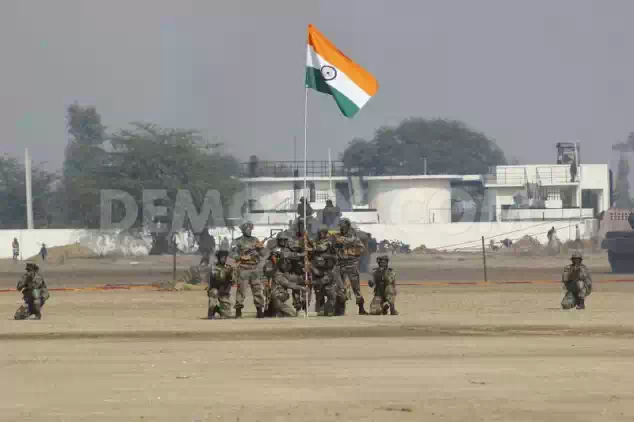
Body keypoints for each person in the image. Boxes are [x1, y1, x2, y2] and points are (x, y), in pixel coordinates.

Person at [230, 222, 266, 318]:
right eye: (247, 229)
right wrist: (241, 257)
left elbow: (263, 254)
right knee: (241, 290)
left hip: (254, 268)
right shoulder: (238, 241)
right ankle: (238, 311)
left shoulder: (255, 240)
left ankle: (259, 310)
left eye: (250, 229)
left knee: (257, 289)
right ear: (243, 230)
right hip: (243, 268)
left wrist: (261, 248)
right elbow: (232, 254)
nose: (249, 231)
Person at [334, 218, 368, 315]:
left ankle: (361, 308)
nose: (341, 229)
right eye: (340, 227)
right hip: (340, 265)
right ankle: (340, 309)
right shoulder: (336, 237)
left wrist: (352, 252)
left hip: (351, 264)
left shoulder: (354, 238)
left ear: (348, 227)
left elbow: (362, 249)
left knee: (356, 288)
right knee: (340, 288)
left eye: (343, 227)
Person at [263, 249, 308, 317]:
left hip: (279, 294)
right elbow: (288, 284)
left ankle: (276, 312)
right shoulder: (273, 269)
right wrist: (302, 288)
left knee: (279, 312)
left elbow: (291, 279)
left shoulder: (283, 271)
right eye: (275, 256)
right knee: (290, 314)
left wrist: (303, 280)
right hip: (275, 295)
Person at [311, 226, 339, 316]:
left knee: (329, 291)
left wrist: (311, 248)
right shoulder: (316, 241)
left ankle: (331, 308)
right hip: (318, 269)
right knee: (319, 291)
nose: (320, 234)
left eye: (322, 232)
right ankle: (321, 308)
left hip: (328, 269)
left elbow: (321, 248)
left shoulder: (329, 241)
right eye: (319, 232)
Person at [207, 250, 234, 319]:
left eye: (225, 257)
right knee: (213, 293)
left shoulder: (230, 267)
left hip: (224, 291)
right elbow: (214, 279)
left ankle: (218, 309)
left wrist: (230, 275)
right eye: (222, 257)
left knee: (226, 316)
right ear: (219, 258)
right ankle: (211, 313)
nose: (224, 259)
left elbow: (232, 281)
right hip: (215, 289)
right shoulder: (214, 267)